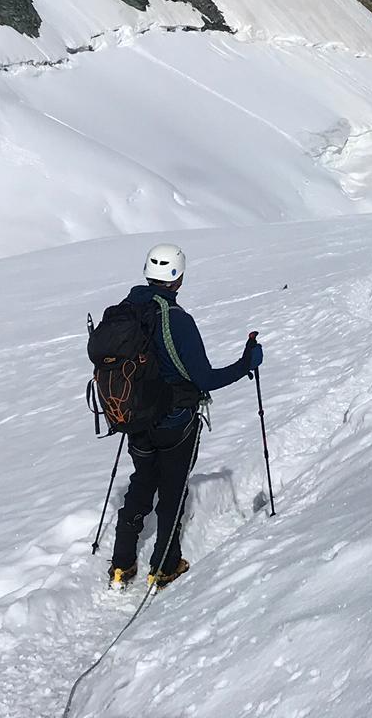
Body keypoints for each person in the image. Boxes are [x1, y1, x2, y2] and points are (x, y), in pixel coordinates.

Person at [106, 242, 261, 590]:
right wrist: (245, 364)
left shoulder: (125, 312)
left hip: (135, 421)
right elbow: (205, 378)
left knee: (143, 482)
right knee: (172, 491)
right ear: (178, 279)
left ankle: (121, 563)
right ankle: (165, 565)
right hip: (175, 422)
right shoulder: (177, 320)